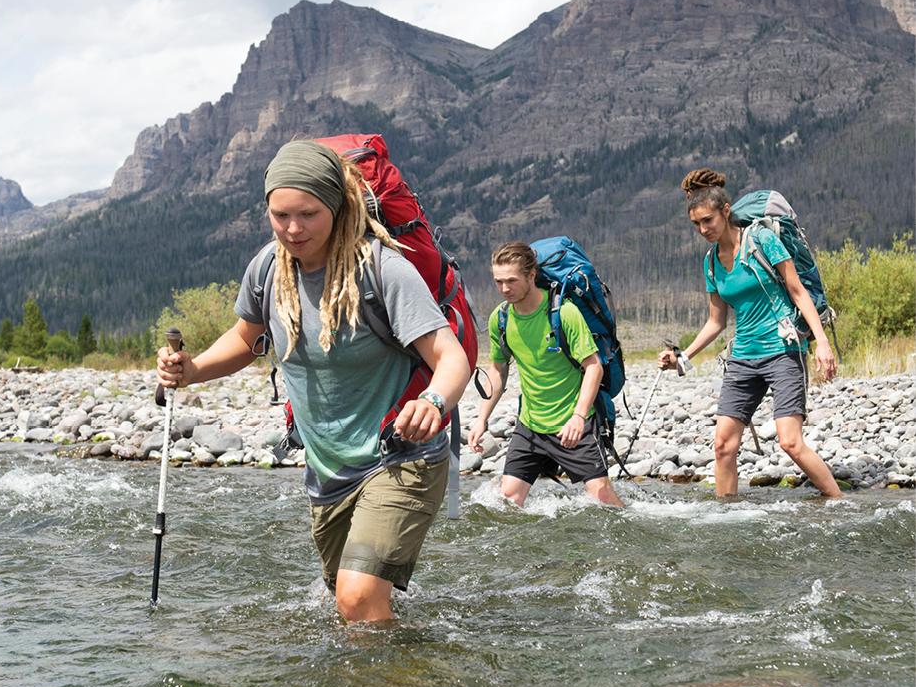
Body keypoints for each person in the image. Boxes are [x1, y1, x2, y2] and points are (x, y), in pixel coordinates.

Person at [156, 139, 471, 623]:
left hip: (400, 456)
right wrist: (192, 369)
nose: (293, 229)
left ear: (338, 207)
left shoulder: (382, 268)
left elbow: (450, 355)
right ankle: (379, 685)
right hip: (329, 473)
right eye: (280, 215)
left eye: (308, 214)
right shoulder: (267, 268)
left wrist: (433, 400)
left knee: (357, 598)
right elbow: (245, 339)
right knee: (349, 605)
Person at [658, 169, 841, 498]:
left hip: (783, 349)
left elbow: (798, 292)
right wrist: (683, 356)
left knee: (789, 441)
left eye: (708, 221)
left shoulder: (762, 241)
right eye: (696, 224)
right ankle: (726, 516)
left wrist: (822, 342)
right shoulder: (711, 262)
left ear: (725, 211)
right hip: (743, 358)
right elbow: (716, 322)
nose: (703, 229)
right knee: (723, 446)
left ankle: (839, 501)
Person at [468, 241, 624, 508]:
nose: (504, 289)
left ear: (531, 275)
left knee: (604, 503)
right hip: (530, 426)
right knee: (507, 501)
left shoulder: (564, 313)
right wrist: (481, 418)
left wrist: (578, 416)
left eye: (511, 281)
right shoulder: (501, 318)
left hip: (574, 424)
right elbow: (498, 370)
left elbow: (594, 366)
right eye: (498, 281)